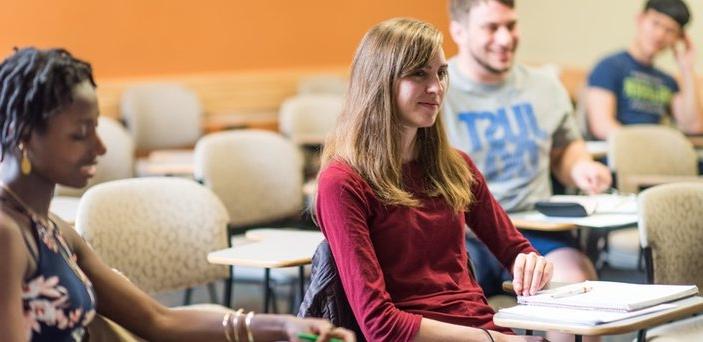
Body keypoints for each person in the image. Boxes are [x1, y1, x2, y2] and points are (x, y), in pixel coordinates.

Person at [0, 47, 355, 342]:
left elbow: (158, 320)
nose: (100, 147)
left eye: (96, 128)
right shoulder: (6, 234)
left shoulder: (54, 230)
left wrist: (282, 326)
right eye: (80, 134)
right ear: (23, 135)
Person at [315, 18, 550, 341]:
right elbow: (380, 326)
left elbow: (516, 250)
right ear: (380, 82)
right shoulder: (342, 182)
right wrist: (496, 340)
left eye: (441, 73)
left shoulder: (456, 167)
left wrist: (532, 264)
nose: (436, 87)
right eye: (418, 74)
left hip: (482, 330)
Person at [444, 1, 610, 340]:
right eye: (491, 28)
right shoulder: (436, 90)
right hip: (462, 236)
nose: (505, 38)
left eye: (511, 25)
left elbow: (565, 149)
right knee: (445, 308)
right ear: (458, 31)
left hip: (534, 231)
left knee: (581, 296)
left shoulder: (544, 86)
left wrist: (581, 167)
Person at [586, 0, 703, 140]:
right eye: (656, 23)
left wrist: (687, 69)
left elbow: (694, 127)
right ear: (640, 19)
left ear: (678, 38)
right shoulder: (609, 67)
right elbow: (602, 125)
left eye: (670, 30)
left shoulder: (668, 81)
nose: (660, 35)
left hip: (657, 154)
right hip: (622, 152)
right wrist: (644, 148)